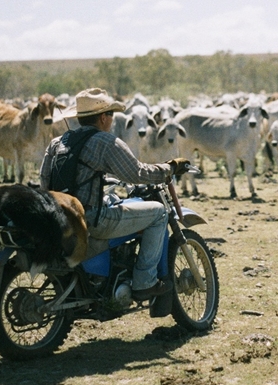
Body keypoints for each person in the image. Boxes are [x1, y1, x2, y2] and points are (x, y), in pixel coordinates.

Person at [39, 88, 191, 300]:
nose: (112, 119)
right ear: (103, 118)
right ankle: (144, 282)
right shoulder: (106, 142)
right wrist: (170, 168)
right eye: (111, 114)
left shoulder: (57, 143)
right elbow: (137, 173)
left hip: (60, 217)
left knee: (111, 199)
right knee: (158, 213)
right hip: (91, 220)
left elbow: (44, 182)